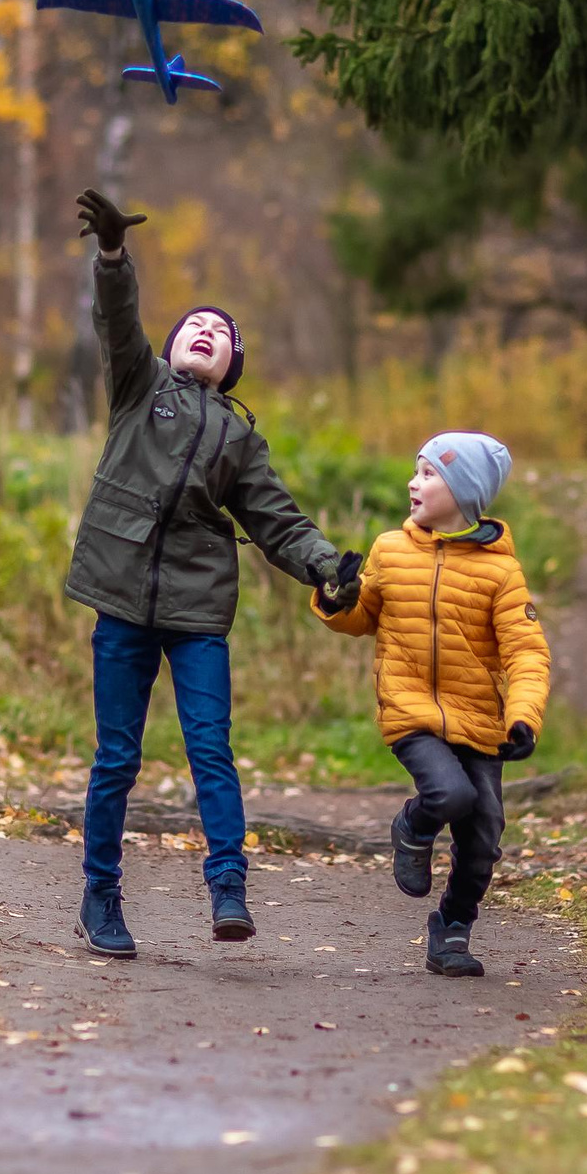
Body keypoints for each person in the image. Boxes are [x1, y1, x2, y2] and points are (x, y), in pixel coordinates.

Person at [63, 188, 363, 958]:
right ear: (170, 347)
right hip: (123, 601)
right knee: (117, 758)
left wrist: (326, 566)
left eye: (222, 331)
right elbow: (116, 320)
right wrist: (111, 257)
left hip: (198, 611)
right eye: (195, 323)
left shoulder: (238, 437)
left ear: (233, 366)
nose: (207, 329)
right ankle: (101, 895)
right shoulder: (138, 387)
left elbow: (277, 519)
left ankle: (228, 887)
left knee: (210, 749)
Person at [314, 431, 549, 976]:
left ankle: (452, 930)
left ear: (463, 491)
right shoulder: (390, 550)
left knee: (485, 832)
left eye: (427, 474)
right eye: (415, 471)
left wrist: (522, 717)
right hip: (410, 708)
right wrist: (337, 594)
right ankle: (414, 827)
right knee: (449, 794)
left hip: (479, 720)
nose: (412, 483)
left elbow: (527, 652)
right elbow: (360, 618)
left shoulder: (500, 571)